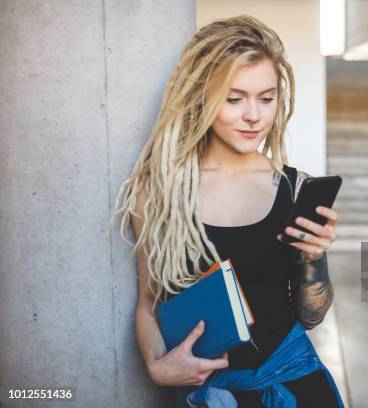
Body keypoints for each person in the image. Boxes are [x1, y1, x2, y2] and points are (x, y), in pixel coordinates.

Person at [109, 15, 344, 407]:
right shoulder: (158, 192)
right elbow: (150, 303)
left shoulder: (293, 188)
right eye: (234, 99)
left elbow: (310, 317)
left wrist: (315, 259)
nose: (254, 115)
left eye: (266, 98)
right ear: (203, 96)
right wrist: (156, 365)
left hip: (298, 386)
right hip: (214, 395)